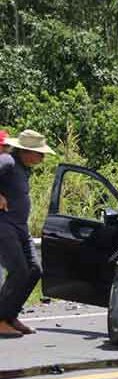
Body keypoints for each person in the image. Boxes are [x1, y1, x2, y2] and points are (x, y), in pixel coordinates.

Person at [0, 130, 55, 338]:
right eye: (39, 153)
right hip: (4, 227)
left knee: (34, 270)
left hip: (19, 228)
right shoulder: (7, 161)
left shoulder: (23, 168)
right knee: (18, 271)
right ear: (25, 151)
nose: (43, 157)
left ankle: (9, 315)